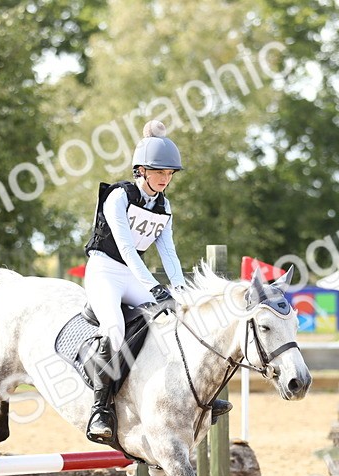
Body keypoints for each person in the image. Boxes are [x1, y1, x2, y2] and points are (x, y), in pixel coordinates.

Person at [81, 119, 229, 445]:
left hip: (133, 275)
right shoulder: (118, 197)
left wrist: (180, 292)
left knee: (174, 319)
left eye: (169, 174)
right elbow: (125, 250)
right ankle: (100, 408)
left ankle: (197, 393)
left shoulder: (164, 206)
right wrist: (153, 287)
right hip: (105, 271)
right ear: (141, 170)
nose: (165, 179)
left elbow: (169, 253)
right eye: (159, 172)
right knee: (115, 329)